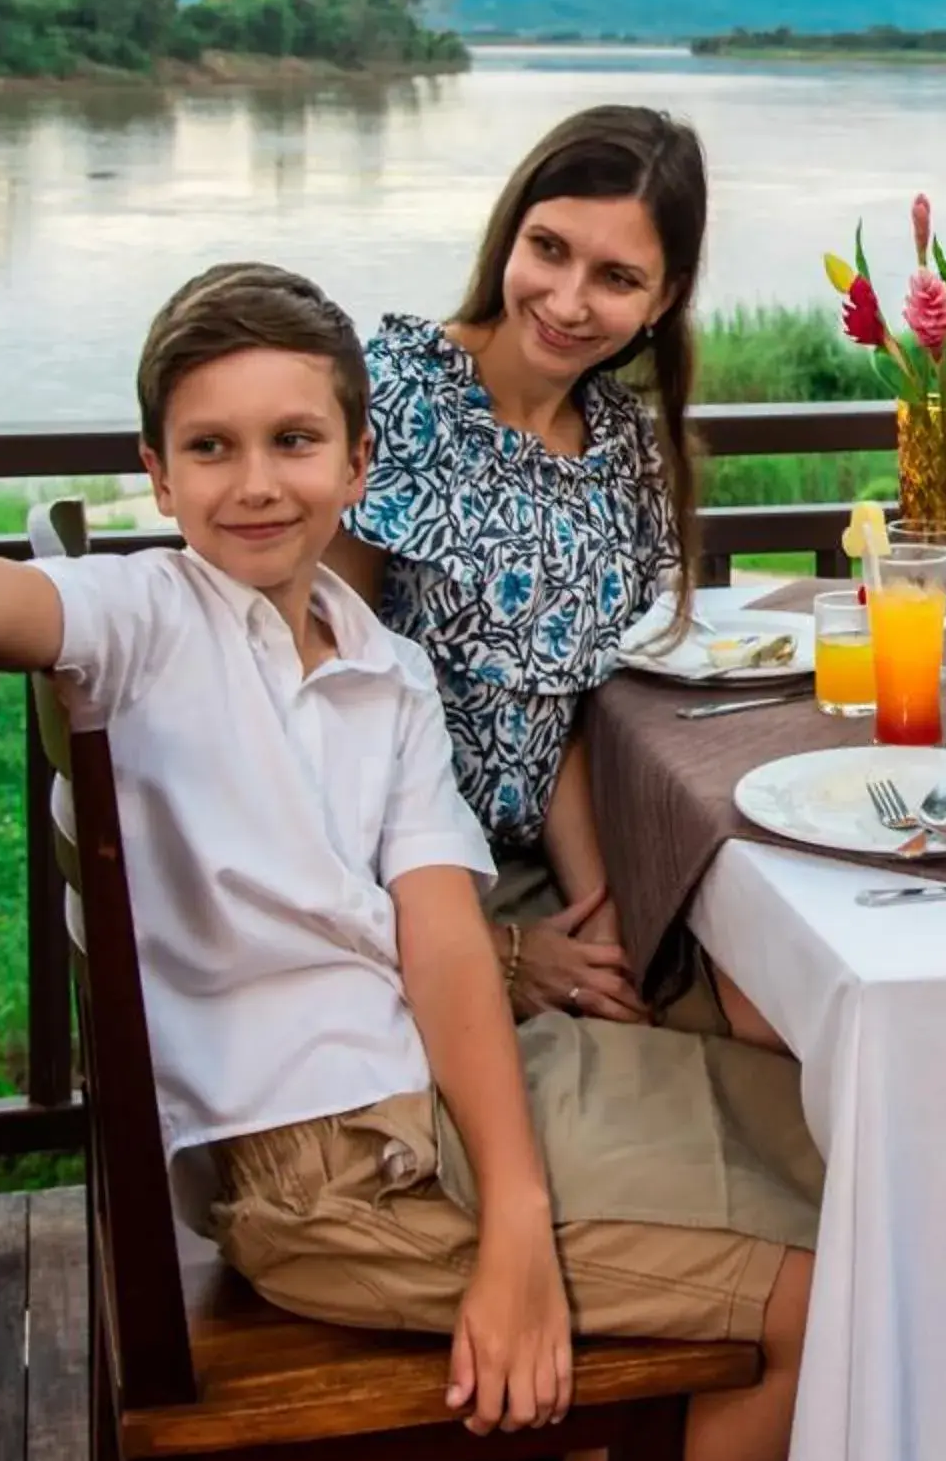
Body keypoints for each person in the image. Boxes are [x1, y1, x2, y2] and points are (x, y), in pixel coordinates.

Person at [0, 263, 818, 1461]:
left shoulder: (379, 662)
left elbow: (444, 937)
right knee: (832, 1293)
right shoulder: (146, 622)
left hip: (432, 1104)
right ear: (159, 476)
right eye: (210, 448)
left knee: (827, 1144)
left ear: (359, 464)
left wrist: (514, 1207)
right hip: (332, 1171)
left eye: (294, 441)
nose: (255, 482)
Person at [328, 106, 778, 1048]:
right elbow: (317, 700)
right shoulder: (396, 400)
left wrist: (602, 909)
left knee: (775, 1018)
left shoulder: (625, 447)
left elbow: (572, 719)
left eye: (617, 278)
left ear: (664, 298)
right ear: (510, 230)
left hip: (543, 867)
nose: (570, 302)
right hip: (385, 887)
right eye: (550, 249)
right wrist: (495, 948)